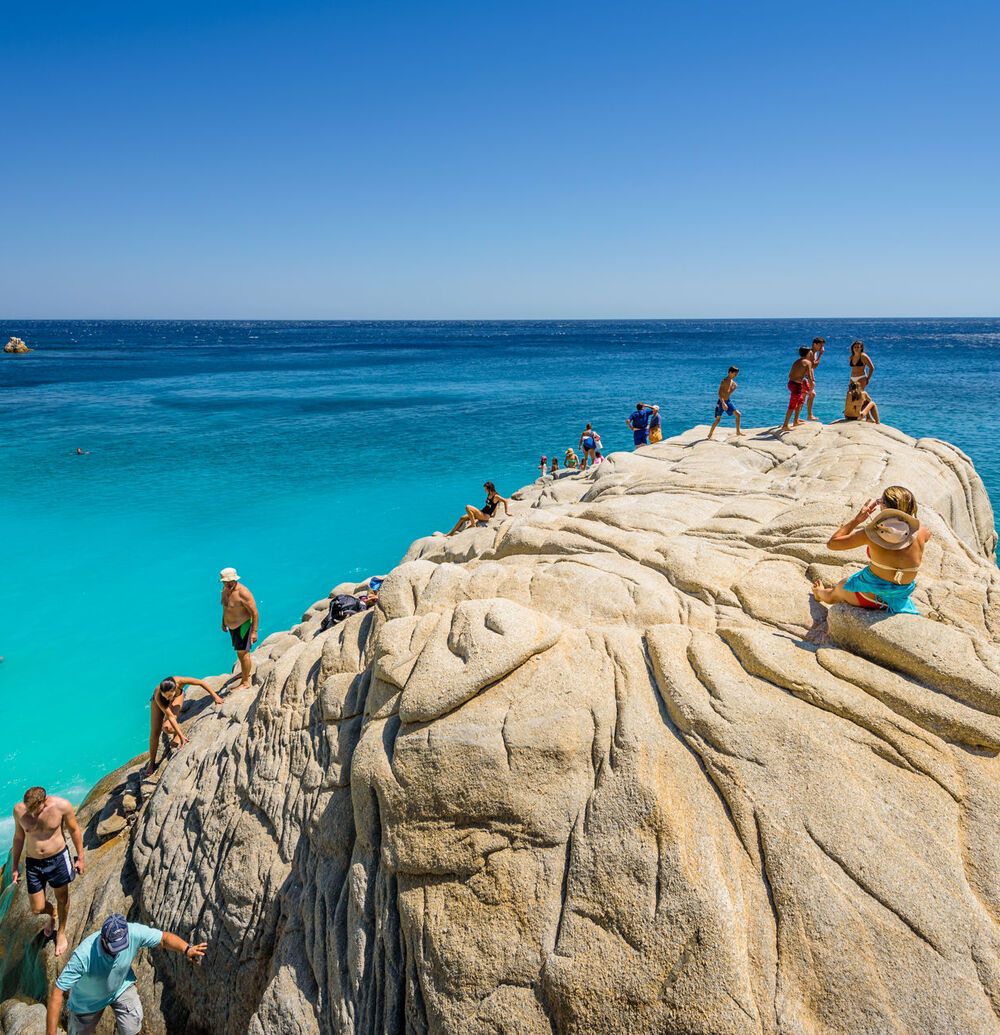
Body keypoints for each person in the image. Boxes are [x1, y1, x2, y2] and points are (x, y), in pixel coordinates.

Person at [47, 913, 207, 1035]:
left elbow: (163, 939)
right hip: (86, 1003)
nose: (119, 951)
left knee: (132, 1026)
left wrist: (187, 949)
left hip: (120, 988)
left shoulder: (133, 932)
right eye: (115, 947)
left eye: (123, 946)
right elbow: (57, 991)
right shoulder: (83, 955)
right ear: (103, 939)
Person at [811, 486, 930, 615]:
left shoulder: (872, 533)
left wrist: (857, 519)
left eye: (880, 502)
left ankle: (819, 593)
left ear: (884, 506)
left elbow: (832, 544)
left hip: (868, 597)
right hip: (898, 598)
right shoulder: (922, 532)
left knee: (837, 590)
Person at [10, 788, 86, 957]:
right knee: (37, 908)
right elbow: (18, 837)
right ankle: (53, 913)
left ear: (43, 802)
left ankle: (61, 932)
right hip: (33, 863)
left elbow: (74, 830)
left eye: (33, 809)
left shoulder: (61, 806)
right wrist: (15, 866)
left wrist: (80, 858)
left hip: (58, 860)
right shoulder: (19, 811)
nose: (30, 813)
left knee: (62, 897)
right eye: (27, 808)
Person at [146, 677, 225, 777]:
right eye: (166, 696)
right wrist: (182, 736)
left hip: (177, 697)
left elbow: (201, 683)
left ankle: (177, 733)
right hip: (158, 702)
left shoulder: (180, 681)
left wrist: (215, 696)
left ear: (175, 689)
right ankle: (152, 762)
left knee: (168, 728)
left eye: (170, 696)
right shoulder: (159, 695)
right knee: (155, 732)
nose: (168, 699)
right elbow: (170, 716)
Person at [219, 568, 259, 690]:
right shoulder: (225, 591)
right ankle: (245, 672)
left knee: (244, 653)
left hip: (243, 626)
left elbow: (255, 613)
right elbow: (226, 608)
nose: (227, 584)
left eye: (230, 581)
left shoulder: (243, 593)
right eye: (225, 582)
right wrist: (223, 622)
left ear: (235, 579)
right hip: (232, 627)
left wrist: (254, 632)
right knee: (240, 653)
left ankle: (246, 682)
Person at [446, 481, 511, 536]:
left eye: (485, 489)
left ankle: (473, 524)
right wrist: (494, 514)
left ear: (489, 489)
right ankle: (451, 533)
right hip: (482, 512)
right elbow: (495, 505)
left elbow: (505, 501)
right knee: (462, 518)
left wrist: (506, 512)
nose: (484, 490)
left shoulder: (496, 496)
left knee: (468, 507)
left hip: (485, 516)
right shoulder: (489, 494)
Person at [781, 348, 814, 430]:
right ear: (808, 354)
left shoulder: (796, 361)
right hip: (796, 386)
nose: (811, 354)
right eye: (810, 353)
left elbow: (790, 375)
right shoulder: (808, 362)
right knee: (792, 405)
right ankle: (785, 425)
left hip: (791, 383)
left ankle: (796, 421)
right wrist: (811, 388)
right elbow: (809, 377)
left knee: (800, 401)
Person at [707, 367, 743, 439]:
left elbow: (728, 393)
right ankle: (710, 434)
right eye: (735, 373)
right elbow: (719, 393)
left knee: (738, 414)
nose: (736, 375)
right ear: (730, 372)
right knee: (718, 420)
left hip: (728, 401)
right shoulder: (724, 381)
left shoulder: (732, 382)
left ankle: (738, 432)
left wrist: (733, 389)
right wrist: (723, 403)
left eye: (737, 374)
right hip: (721, 402)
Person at [806, 337, 825, 422]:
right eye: (820, 345)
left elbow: (813, 367)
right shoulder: (811, 353)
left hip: (808, 376)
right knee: (808, 395)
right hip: (806, 377)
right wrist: (821, 355)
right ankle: (808, 415)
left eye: (822, 345)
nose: (821, 347)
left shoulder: (814, 352)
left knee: (810, 395)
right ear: (814, 344)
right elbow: (814, 366)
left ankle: (809, 415)